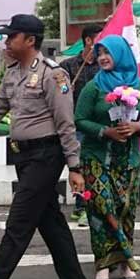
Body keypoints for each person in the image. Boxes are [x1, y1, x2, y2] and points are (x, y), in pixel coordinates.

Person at [0, 14, 87, 279]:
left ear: (30, 41)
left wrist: (74, 166)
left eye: (11, 36)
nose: (6, 41)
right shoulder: (12, 72)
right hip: (24, 158)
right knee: (49, 220)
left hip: (46, 156)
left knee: (18, 224)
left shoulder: (54, 75)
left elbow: (66, 124)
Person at [74, 35, 140, 279]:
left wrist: (138, 126)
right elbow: (79, 119)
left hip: (129, 160)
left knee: (125, 209)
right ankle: (102, 264)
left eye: (107, 52)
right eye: (99, 53)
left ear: (120, 54)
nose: (102, 57)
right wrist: (104, 132)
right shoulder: (94, 87)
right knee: (101, 208)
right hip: (97, 158)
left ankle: (123, 261)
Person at [60, 23, 103, 227]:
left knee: (93, 166)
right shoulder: (68, 66)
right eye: (100, 38)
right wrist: (67, 89)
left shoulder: (103, 66)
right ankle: (81, 206)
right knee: (79, 165)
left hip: (98, 124)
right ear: (88, 40)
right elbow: (59, 92)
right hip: (75, 124)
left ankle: (85, 206)